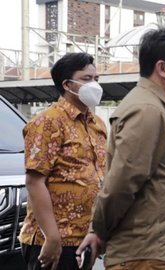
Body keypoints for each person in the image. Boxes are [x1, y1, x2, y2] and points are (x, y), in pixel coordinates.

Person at [77, 25, 165, 269]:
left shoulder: (155, 105)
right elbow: (122, 182)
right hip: (145, 252)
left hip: (154, 249)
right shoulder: (147, 110)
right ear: (163, 68)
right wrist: (99, 230)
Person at [19, 52, 107, 270]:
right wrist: (52, 237)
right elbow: (34, 181)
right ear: (67, 84)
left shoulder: (97, 124)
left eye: (96, 79)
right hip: (52, 239)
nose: (94, 84)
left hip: (84, 237)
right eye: (87, 79)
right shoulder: (47, 122)